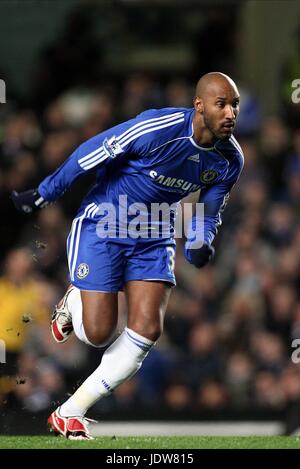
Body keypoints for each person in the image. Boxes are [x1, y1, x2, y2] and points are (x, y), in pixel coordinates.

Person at [12, 72, 243, 440]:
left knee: (148, 328)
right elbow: (92, 151)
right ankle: (74, 300)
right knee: (98, 334)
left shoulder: (230, 160)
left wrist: (200, 242)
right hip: (105, 223)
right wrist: (45, 192)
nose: (230, 112)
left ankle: (69, 413)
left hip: (155, 236)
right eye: (222, 104)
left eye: (235, 105)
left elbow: (208, 214)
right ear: (199, 106)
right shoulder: (157, 127)